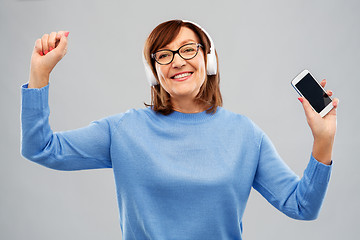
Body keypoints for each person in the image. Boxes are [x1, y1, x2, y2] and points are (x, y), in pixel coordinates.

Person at [21, 19, 339, 240]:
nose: (177, 61)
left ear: (208, 58)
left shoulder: (246, 135)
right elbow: (41, 148)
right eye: (164, 54)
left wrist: (323, 141)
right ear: (153, 71)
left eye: (188, 49)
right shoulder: (123, 130)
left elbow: (303, 206)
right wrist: (39, 74)